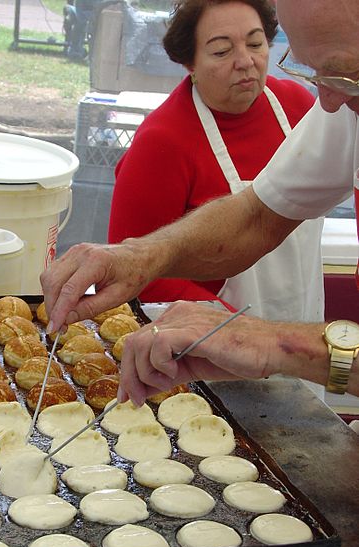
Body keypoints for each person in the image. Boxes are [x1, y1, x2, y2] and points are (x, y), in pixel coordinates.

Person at [41, 0, 359, 405]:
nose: (328, 101)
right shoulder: (343, 109)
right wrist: (140, 255)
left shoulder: (309, 103)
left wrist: (274, 343)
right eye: (311, 71)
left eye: (349, 73)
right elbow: (255, 216)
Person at [108, 0, 321, 324]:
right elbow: (133, 274)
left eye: (255, 43)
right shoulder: (161, 143)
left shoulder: (300, 107)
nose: (245, 61)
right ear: (190, 62)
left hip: (301, 323)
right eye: (222, 51)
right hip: (206, 346)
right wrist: (235, 329)